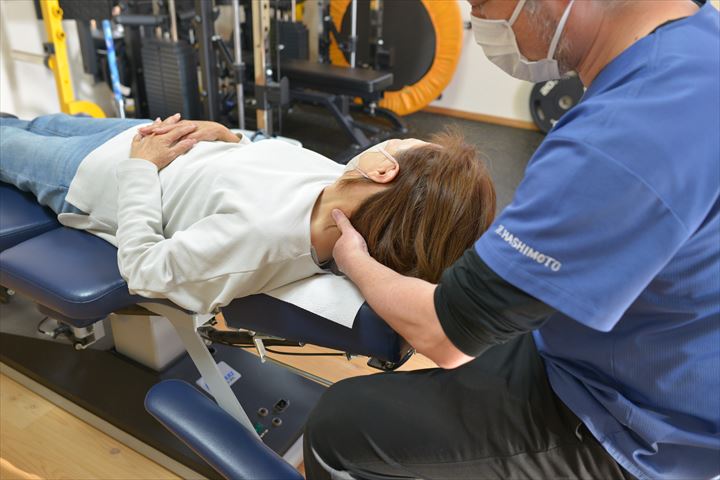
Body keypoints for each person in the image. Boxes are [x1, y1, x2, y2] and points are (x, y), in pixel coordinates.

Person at [304, 1, 719, 479]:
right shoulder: (697, 41)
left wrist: (353, 258)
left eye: (482, 3)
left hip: (639, 433)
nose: (481, 18)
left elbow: (445, 336)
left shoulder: (622, 135)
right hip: (633, 357)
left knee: (339, 427)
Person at [0, 113, 495, 313]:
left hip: (93, 173)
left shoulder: (266, 238)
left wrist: (141, 168)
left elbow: (146, 270)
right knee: (29, 120)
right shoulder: (338, 184)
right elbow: (275, 157)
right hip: (149, 138)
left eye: (401, 143)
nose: (390, 141)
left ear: (385, 170)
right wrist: (230, 136)